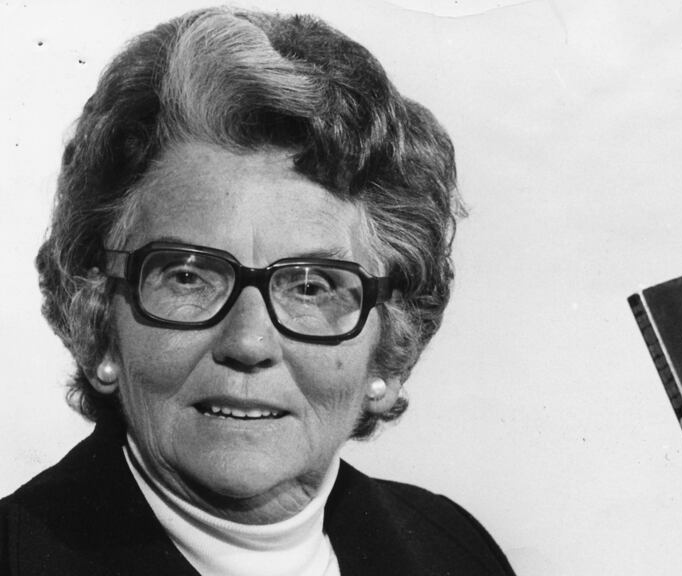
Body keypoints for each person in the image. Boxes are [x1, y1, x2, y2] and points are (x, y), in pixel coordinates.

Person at [0, 7, 515, 575]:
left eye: (311, 285)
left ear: (390, 346)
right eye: (188, 275)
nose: (248, 342)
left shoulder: (451, 551)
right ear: (98, 322)